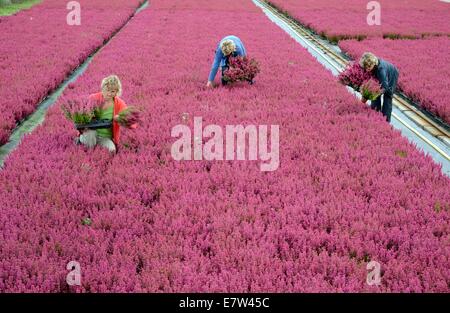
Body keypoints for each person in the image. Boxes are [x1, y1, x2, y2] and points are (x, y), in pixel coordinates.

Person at [76, 75, 135, 153]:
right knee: (90, 143)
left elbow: (132, 121)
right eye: (107, 90)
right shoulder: (93, 98)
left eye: (113, 91)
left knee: (112, 150)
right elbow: (81, 115)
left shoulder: (119, 103)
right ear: (103, 88)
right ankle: (81, 140)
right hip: (92, 132)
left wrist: (120, 119)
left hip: (106, 137)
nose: (109, 94)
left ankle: (95, 146)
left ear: (117, 92)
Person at [360, 52, 399, 123]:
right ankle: (375, 115)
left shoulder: (381, 71)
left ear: (373, 64)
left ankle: (385, 121)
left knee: (388, 96)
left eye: (368, 68)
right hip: (382, 73)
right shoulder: (370, 64)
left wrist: (372, 93)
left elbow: (385, 87)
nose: (367, 70)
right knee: (375, 97)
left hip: (392, 74)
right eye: (366, 68)